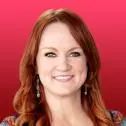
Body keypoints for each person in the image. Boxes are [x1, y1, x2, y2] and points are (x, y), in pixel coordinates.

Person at [0, 8, 126, 126]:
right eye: (50, 54)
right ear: (35, 65)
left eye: (74, 53)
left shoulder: (117, 122)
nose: (63, 66)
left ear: (88, 62)